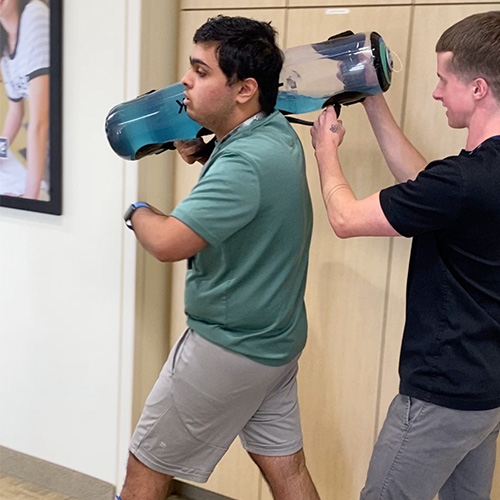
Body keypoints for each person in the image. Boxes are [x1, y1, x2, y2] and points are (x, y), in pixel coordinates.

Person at [118, 15, 319, 500]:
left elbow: (167, 242)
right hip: (275, 342)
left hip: (226, 349)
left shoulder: (243, 162)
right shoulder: (272, 133)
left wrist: (135, 210)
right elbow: (255, 193)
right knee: (287, 471)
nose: (185, 81)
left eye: (201, 71)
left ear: (244, 89)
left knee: (145, 471)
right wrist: (204, 155)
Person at [310, 11, 500, 500]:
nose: (436, 92)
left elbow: (346, 219)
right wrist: (373, 100)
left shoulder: (462, 182)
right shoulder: (472, 180)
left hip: (440, 394)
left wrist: (324, 151)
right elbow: (428, 188)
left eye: (443, 79)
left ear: (478, 89)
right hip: (486, 396)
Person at [0, 0, 49, 199]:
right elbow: (15, 111)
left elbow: (40, 122)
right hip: (44, 141)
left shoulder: (34, 15)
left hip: (62, 138)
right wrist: (0, 153)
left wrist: (29, 201)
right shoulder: (5, 44)